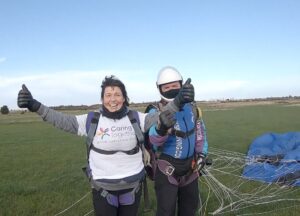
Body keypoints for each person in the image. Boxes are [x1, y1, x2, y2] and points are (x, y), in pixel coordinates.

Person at [17, 75, 193, 216]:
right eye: (108, 95)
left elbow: (161, 116)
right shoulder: (91, 120)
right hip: (102, 190)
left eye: (117, 95)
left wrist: (178, 100)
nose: (113, 99)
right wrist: (34, 105)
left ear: (124, 98)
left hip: (133, 188)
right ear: (102, 99)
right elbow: (61, 120)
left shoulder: (136, 118)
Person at [147, 66, 209, 216]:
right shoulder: (155, 111)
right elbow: (153, 141)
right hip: (167, 169)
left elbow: (200, 133)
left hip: (191, 169)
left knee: (189, 210)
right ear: (159, 88)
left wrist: (201, 155)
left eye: (175, 85)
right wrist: (161, 128)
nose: (171, 89)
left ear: (181, 85)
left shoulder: (192, 108)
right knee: (166, 211)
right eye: (166, 87)